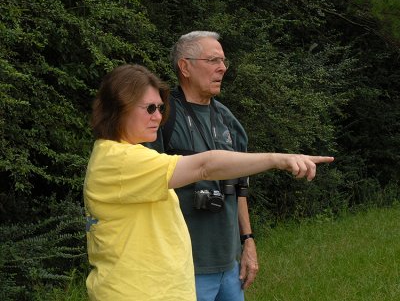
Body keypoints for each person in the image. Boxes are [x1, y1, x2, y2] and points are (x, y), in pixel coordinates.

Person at [83, 63, 334, 301]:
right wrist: (278, 159)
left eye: (160, 108)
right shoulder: (120, 160)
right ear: (118, 108)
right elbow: (206, 166)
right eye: (149, 108)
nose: (158, 117)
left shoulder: (128, 157)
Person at [147, 31, 257, 301]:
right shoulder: (162, 117)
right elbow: (146, 182)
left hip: (229, 265)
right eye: (212, 60)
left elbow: (239, 186)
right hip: (184, 266)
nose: (222, 68)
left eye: (223, 61)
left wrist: (248, 241)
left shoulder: (227, 120)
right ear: (185, 67)